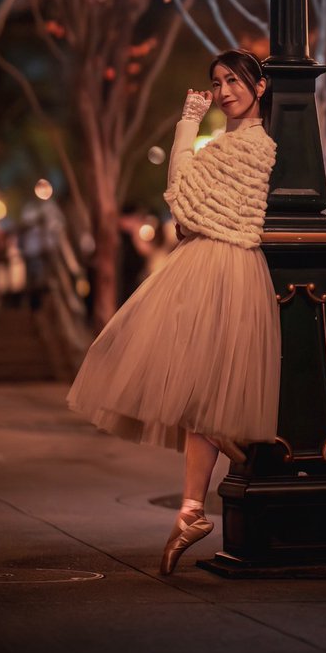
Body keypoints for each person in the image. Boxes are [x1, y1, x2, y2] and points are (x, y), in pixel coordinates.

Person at [66, 49, 280, 575]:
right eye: (218, 81)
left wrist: (186, 124)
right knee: (194, 388)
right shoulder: (231, 142)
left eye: (235, 80)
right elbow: (184, 201)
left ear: (260, 87)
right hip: (212, 267)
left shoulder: (252, 145)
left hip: (220, 268)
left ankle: (193, 506)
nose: (226, 90)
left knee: (200, 386)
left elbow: (180, 199)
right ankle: (190, 510)